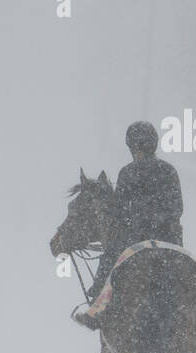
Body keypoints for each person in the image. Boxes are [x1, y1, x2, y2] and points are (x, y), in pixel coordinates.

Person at [74, 121, 184, 329]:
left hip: (136, 241)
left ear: (132, 147)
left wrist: (138, 222)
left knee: (109, 258)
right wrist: (159, 221)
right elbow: (177, 209)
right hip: (170, 240)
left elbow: (121, 214)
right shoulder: (169, 171)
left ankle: (97, 307)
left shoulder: (127, 173)